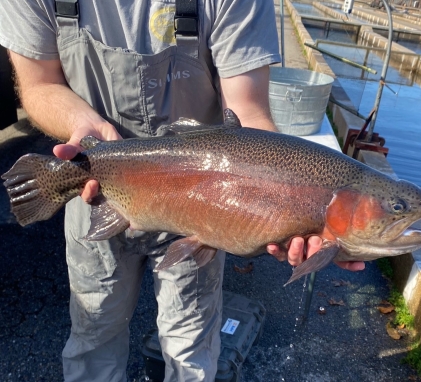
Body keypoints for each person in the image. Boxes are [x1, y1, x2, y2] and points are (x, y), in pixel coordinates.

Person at [0, 0, 364, 381]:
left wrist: (289, 207)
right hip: (101, 192)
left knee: (191, 351)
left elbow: (250, 113)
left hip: (208, 209)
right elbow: (38, 83)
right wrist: (82, 124)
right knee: (94, 334)